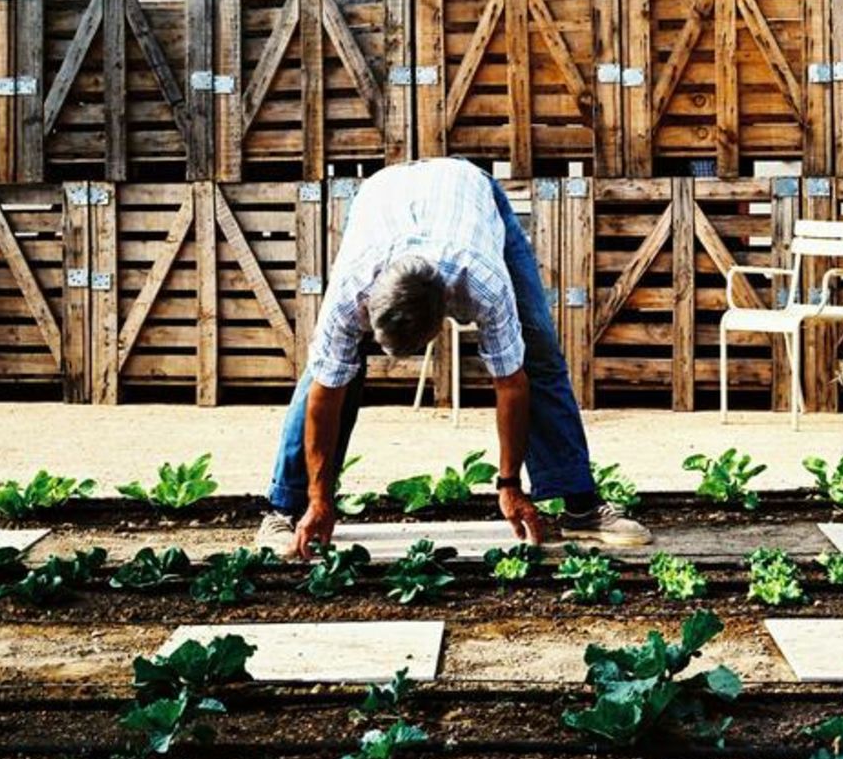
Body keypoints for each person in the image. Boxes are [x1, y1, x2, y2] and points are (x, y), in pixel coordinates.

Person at [255, 157, 651, 558]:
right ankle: (287, 508)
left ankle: (580, 505)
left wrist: (508, 484)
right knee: (326, 370)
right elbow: (326, 392)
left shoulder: (481, 280)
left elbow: (510, 384)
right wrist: (321, 498)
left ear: (443, 314)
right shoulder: (350, 292)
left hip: (470, 191)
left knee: (538, 352)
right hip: (381, 195)